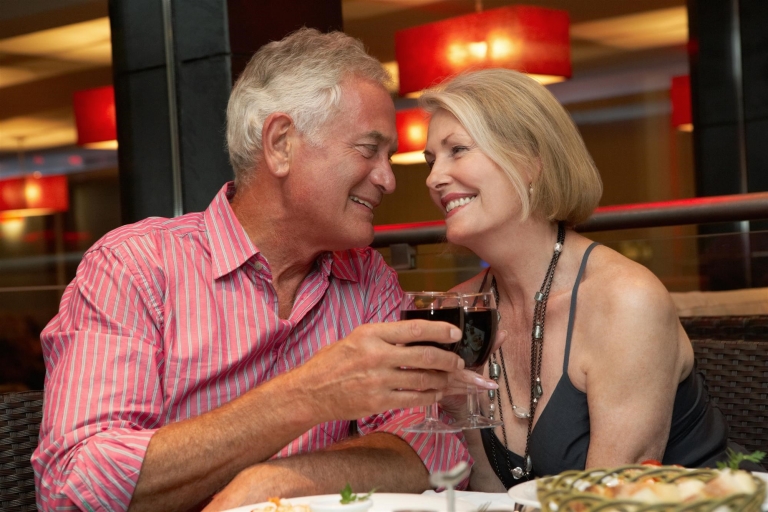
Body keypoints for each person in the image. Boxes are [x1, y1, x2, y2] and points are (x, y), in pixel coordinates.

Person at [33, 28, 498, 512]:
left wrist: (273, 483)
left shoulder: (369, 280)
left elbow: (431, 450)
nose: (387, 177)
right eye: (368, 149)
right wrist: (305, 397)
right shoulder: (134, 267)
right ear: (280, 144)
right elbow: (74, 487)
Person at [421, 68, 758, 491]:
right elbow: (492, 491)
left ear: (530, 162)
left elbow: (613, 497)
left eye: (457, 150)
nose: (434, 178)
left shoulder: (625, 299)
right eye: (431, 161)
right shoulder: (464, 308)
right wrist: (455, 408)